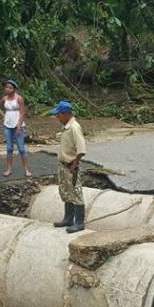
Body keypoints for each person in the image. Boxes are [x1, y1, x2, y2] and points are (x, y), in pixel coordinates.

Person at [50, 100, 86, 233]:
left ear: (65, 114)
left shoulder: (74, 127)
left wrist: (75, 164)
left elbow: (81, 149)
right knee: (66, 192)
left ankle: (79, 222)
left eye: (58, 115)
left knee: (76, 193)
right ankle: (68, 218)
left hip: (72, 166)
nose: (57, 118)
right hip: (64, 165)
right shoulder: (67, 127)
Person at [0, 79, 32, 177]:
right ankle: (9, 169)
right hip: (7, 125)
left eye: (10, 87)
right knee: (9, 148)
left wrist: (19, 126)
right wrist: (3, 115)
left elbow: (22, 112)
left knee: (21, 148)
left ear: (14, 89)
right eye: (6, 87)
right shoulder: (4, 98)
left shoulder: (19, 98)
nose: (7, 89)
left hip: (18, 125)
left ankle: (26, 169)